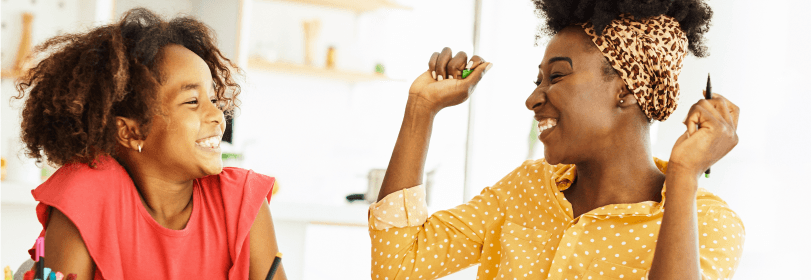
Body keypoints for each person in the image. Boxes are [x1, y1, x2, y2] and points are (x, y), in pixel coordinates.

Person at [369, 0, 743, 279]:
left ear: (627, 89)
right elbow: (398, 265)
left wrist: (683, 177)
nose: (533, 99)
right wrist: (421, 109)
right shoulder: (526, 188)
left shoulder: (706, 220)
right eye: (538, 81)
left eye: (557, 77)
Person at [13, 8, 286, 280]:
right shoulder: (86, 198)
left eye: (214, 100)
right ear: (131, 132)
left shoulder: (242, 203)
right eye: (192, 101)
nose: (217, 115)